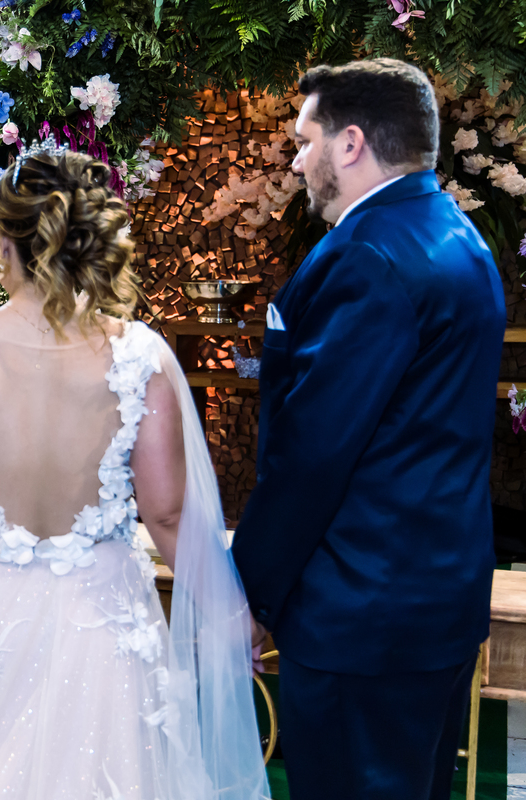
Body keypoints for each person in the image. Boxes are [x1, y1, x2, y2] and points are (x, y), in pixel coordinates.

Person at [0, 145, 269, 800]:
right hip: (101, 620)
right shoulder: (140, 357)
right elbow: (168, 513)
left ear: (1, 243)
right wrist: (229, 613)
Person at [231, 59, 505, 800]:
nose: (296, 161)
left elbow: (314, 454)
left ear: (350, 143)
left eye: (305, 140)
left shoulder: (367, 256)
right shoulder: (457, 235)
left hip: (362, 613)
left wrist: (250, 594)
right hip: (435, 600)